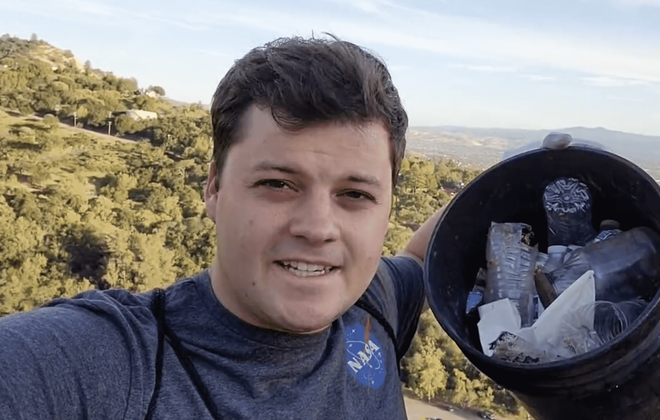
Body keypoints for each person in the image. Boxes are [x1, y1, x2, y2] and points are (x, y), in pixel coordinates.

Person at [0, 35, 444, 419]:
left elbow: (423, 257)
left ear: (386, 209)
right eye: (277, 184)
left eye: (356, 195)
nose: (317, 228)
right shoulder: (114, 365)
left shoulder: (376, 303)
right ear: (214, 188)